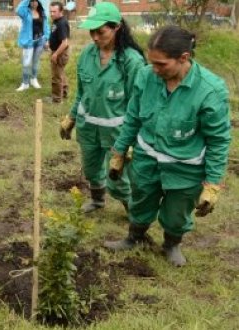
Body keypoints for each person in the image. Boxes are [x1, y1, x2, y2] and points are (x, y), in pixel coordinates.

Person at [104, 25, 232, 267]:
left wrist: (212, 183)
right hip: (146, 158)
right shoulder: (146, 76)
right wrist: (119, 151)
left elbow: (218, 140)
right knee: (140, 199)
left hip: (185, 168)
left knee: (176, 214)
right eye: (152, 62)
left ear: (184, 58)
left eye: (161, 64)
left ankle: (171, 244)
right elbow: (133, 116)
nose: (154, 69)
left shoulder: (210, 91)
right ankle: (135, 237)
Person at [59, 2, 146, 213]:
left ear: (116, 27)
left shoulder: (131, 61)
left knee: (118, 178)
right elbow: (82, 92)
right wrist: (71, 118)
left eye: (101, 31)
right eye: (92, 32)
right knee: (91, 169)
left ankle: (134, 214)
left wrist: (135, 138)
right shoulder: (88, 55)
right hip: (88, 129)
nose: (95, 37)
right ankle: (97, 201)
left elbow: (139, 104)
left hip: (118, 133)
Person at [15, 0, 50, 92]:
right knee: (26, 63)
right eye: (32, 1)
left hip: (40, 40)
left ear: (39, 2)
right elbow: (18, 10)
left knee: (35, 62)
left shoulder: (42, 12)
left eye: (36, 1)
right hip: (29, 41)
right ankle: (25, 83)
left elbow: (46, 26)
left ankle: (33, 79)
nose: (34, 3)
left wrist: (47, 39)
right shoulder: (25, 12)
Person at [47, 1, 70, 103]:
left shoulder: (61, 23)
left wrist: (55, 54)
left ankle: (56, 99)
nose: (51, 14)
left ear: (61, 11)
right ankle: (64, 93)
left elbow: (64, 43)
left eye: (54, 12)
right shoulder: (56, 21)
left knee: (56, 76)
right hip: (57, 51)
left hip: (60, 52)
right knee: (60, 73)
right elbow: (55, 35)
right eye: (50, 11)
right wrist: (49, 42)